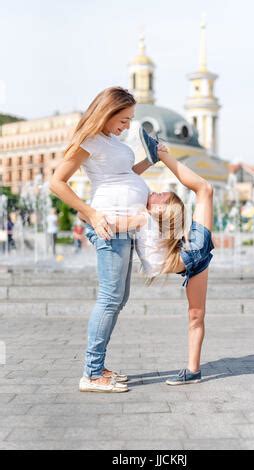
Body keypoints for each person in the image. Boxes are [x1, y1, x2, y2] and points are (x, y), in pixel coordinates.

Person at [50, 86, 156, 393]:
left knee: (118, 299)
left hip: (126, 226)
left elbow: (124, 174)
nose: (126, 126)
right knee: (110, 299)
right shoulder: (88, 140)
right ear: (107, 113)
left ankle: (98, 367)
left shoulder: (112, 142)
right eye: (123, 119)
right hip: (110, 225)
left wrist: (150, 161)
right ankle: (91, 373)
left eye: (129, 119)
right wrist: (92, 214)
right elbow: (57, 183)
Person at [106, 131, 215, 386]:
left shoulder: (144, 217)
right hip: (188, 256)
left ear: (160, 210)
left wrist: (90, 216)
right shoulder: (147, 214)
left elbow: (113, 224)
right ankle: (160, 154)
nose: (154, 193)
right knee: (195, 316)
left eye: (160, 197)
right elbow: (127, 178)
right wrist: (148, 160)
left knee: (205, 190)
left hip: (192, 254)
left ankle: (192, 370)